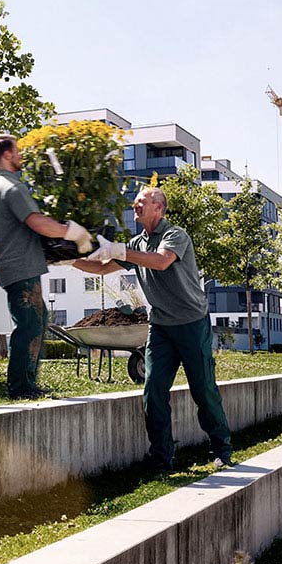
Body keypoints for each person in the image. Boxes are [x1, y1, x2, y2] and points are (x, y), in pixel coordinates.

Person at [75, 187, 233, 469]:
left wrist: (122, 250)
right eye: (135, 200)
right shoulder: (136, 243)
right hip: (160, 325)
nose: (136, 203)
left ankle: (222, 449)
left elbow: (161, 262)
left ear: (159, 208)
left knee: (203, 390)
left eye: (143, 200)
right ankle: (161, 456)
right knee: (153, 390)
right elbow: (100, 268)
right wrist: (67, 258)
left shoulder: (175, 235)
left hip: (191, 323)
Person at [0, 134, 94, 399]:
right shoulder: (11, 186)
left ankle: (27, 381)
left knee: (36, 320)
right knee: (29, 324)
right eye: (17, 151)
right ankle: (21, 386)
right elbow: (37, 222)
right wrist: (71, 231)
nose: (20, 156)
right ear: (7, 154)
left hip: (9, 264)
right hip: (22, 265)